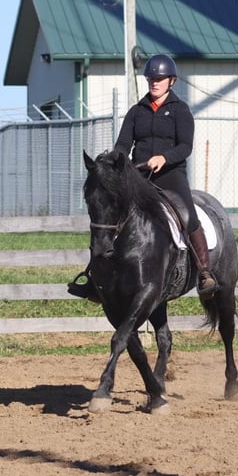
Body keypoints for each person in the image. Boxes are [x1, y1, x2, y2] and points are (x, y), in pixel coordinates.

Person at [68, 54, 218, 302]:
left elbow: (185, 147)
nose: (154, 83)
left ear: (171, 80)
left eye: (159, 79)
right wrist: (111, 163)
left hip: (170, 175)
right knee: (110, 216)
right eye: (151, 79)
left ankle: (204, 272)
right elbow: (123, 144)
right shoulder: (136, 111)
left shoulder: (180, 110)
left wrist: (164, 158)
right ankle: (95, 279)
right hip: (139, 177)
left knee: (188, 215)